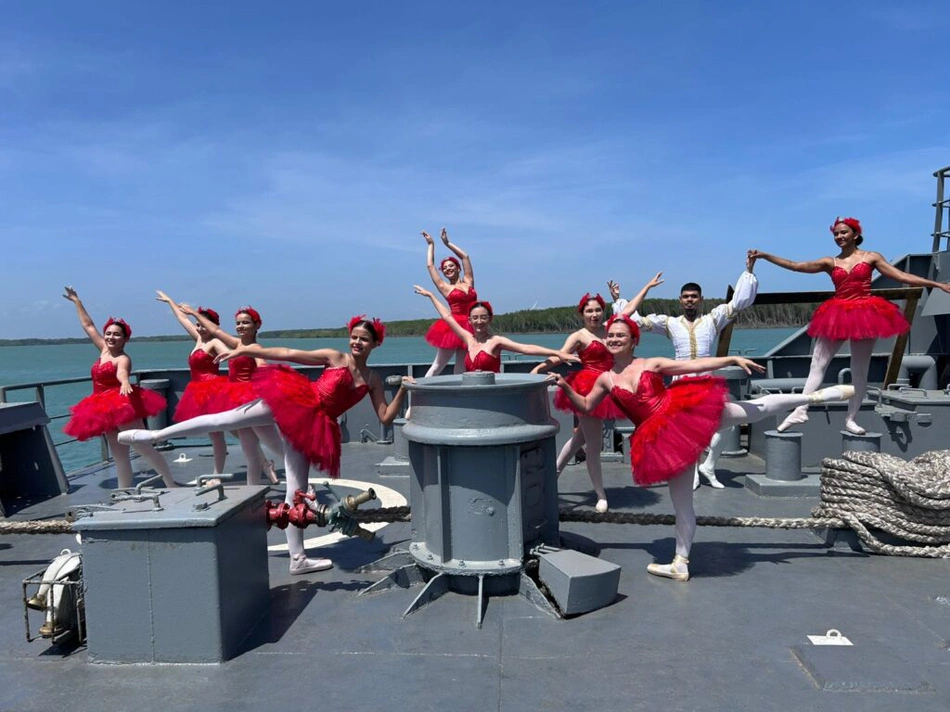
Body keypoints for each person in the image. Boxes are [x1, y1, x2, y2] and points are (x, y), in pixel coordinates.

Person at [550, 313, 855, 582]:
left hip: (683, 411)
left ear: (633, 341)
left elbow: (693, 364)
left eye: (621, 336)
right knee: (682, 503)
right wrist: (564, 386)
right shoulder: (605, 379)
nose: (614, 340)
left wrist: (730, 360)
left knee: (751, 409)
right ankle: (680, 563)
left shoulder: (651, 364)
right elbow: (586, 405)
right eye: (611, 336)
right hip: (663, 440)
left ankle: (813, 398)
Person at [120, 316, 410, 575]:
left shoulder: (372, 380)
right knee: (227, 418)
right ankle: (155, 436)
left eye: (364, 339)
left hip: (313, 427)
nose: (357, 342)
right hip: (294, 400)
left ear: (376, 344)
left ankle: (297, 559)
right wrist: (247, 351)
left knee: (296, 490)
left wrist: (404, 390)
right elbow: (288, 354)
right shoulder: (336, 357)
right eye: (354, 337)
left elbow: (386, 416)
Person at [749, 216, 950, 434]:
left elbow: (901, 275)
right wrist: (766, 256)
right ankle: (800, 410)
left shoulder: (871, 257)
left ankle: (851, 419)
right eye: (836, 234)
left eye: (843, 232)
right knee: (817, 365)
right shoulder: (830, 262)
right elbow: (796, 266)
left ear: (855, 234)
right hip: (837, 314)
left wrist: (936, 284)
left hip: (865, 314)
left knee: (859, 370)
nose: (839, 236)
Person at [609, 254, 759, 489]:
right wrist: (619, 301)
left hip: (706, 382)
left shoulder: (713, 319)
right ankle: (694, 472)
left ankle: (709, 465)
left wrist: (748, 272)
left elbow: (738, 303)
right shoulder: (670, 323)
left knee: (727, 425)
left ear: (701, 299)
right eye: (686, 297)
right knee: (687, 430)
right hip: (682, 383)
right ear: (680, 300)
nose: (690, 300)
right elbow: (635, 321)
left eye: (694, 297)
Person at [531, 277, 661, 512]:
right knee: (594, 445)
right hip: (587, 388)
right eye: (589, 311)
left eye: (598, 310)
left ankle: (552, 475)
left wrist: (647, 288)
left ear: (603, 311)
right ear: (582, 314)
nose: (594, 315)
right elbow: (559, 355)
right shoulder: (579, 336)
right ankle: (600, 494)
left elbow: (630, 308)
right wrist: (539, 368)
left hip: (608, 386)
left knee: (579, 439)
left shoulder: (611, 328)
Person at [60, 286, 177, 490]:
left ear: (124, 339)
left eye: (116, 335)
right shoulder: (103, 350)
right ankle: (124, 490)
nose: (110, 337)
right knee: (119, 455)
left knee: (143, 448)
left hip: (120, 404)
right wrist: (77, 302)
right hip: (102, 408)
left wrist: (124, 381)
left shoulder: (123, 358)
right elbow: (88, 325)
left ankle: (170, 483)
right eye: (108, 333)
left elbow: (122, 372)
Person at [182, 304, 280, 485]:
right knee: (250, 454)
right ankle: (254, 491)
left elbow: (263, 366)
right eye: (238, 323)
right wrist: (185, 309)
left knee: (276, 447)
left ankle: (303, 484)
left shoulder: (255, 347)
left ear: (257, 325)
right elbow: (215, 330)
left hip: (250, 399)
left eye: (246, 322)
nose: (240, 326)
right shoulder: (236, 344)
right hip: (236, 399)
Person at [414, 286, 579, 372]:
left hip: (491, 392)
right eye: (475, 318)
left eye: (483, 317)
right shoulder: (468, 339)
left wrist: (558, 353)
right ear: (470, 321)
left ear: (490, 319)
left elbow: (526, 348)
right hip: (470, 392)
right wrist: (431, 296)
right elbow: (448, 317)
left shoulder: (496, 341)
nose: (479, 322)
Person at [155, 291, 230, 475]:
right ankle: (260, 463)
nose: (200, 328)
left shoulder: (214, 342)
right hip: (198, 391)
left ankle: (218, 474)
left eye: (204, 325)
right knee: (223, 432)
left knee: (225, 432)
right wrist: (170, 301)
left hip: (213, 390)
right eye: (198, 324)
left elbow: (230, 354)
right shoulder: (198, 339)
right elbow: (183, 318)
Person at [422, 228, 479, 377]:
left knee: (462, 365)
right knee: (438, 365)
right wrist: (431, 245)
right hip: (453, 326)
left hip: (470, 325)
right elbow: (430, 266)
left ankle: (460, 390)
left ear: (458, 268)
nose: (448, 269)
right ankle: (419, 389)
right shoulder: (445, 287)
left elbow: (465, 257)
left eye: (451, 266)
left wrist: (447, 243)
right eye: (445, 268)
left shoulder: (469, 281)